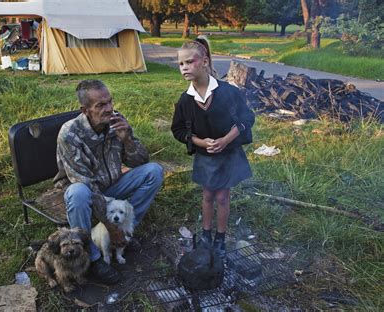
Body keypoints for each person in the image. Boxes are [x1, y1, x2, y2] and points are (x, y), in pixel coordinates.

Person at [54, 79, 164, 284]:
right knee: (78, 193)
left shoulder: (115, 123)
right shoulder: (70, 134)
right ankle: (92, 257)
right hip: (84, 191)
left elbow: (140, 161)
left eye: (110, 102)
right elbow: (87, 185)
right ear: (85, 110)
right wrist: (109, 227)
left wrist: (127, 139)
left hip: (112, 185)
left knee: (154, 172)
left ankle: (125, 231)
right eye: (101, 105)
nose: (109, 109)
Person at [171, 37, 254, 257]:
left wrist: (226, 139)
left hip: (228, 154)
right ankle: (206, 234)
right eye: (181, 64)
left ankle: (220, 237)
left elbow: (247, 118)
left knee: (222, 197)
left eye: (190, 62)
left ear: (205, 61)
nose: (185, 67)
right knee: (207, 195)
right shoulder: (185, 101)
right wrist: (199, 142)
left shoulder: (228, 92)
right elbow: (178, 130)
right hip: (205, 156)